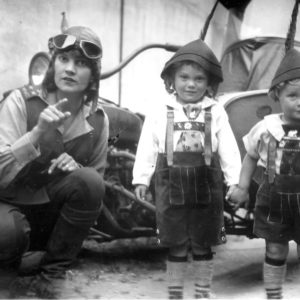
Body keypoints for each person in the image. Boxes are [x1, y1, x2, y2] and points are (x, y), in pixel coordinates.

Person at [0, 26, 108, 298]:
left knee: (89, 181)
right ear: (53, 64)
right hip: (7, 205)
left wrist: (76, 168)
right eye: (64, 59)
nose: (70, 69)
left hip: (48, 213)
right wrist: (36, 133)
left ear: (93, 74)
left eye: (81, 63)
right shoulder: (21, 101)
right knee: (6, 234)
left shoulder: (99, 119)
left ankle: (51, 276)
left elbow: (95, 188)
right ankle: (12, 269)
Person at [132, 39, 241, 299]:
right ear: (171, 79)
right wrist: (141, 179)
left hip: (207, 183)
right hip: (170, 183)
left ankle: (203, 293)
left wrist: (235, 180)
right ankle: (175, 294)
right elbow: (147, 145)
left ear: (209, 83)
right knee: (176, 242)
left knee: (203, 241)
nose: (191, 84)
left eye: (199, 79)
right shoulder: (160, 109)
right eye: (184, 77)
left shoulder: (216, 111)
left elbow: (227, 147)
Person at [229, 47, 300, 299]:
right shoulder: (266, 127)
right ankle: (274, 295)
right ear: (277, 95)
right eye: (293, 95)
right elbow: (250, 156)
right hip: (274, 200)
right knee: (276, 250)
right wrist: (241, 186)